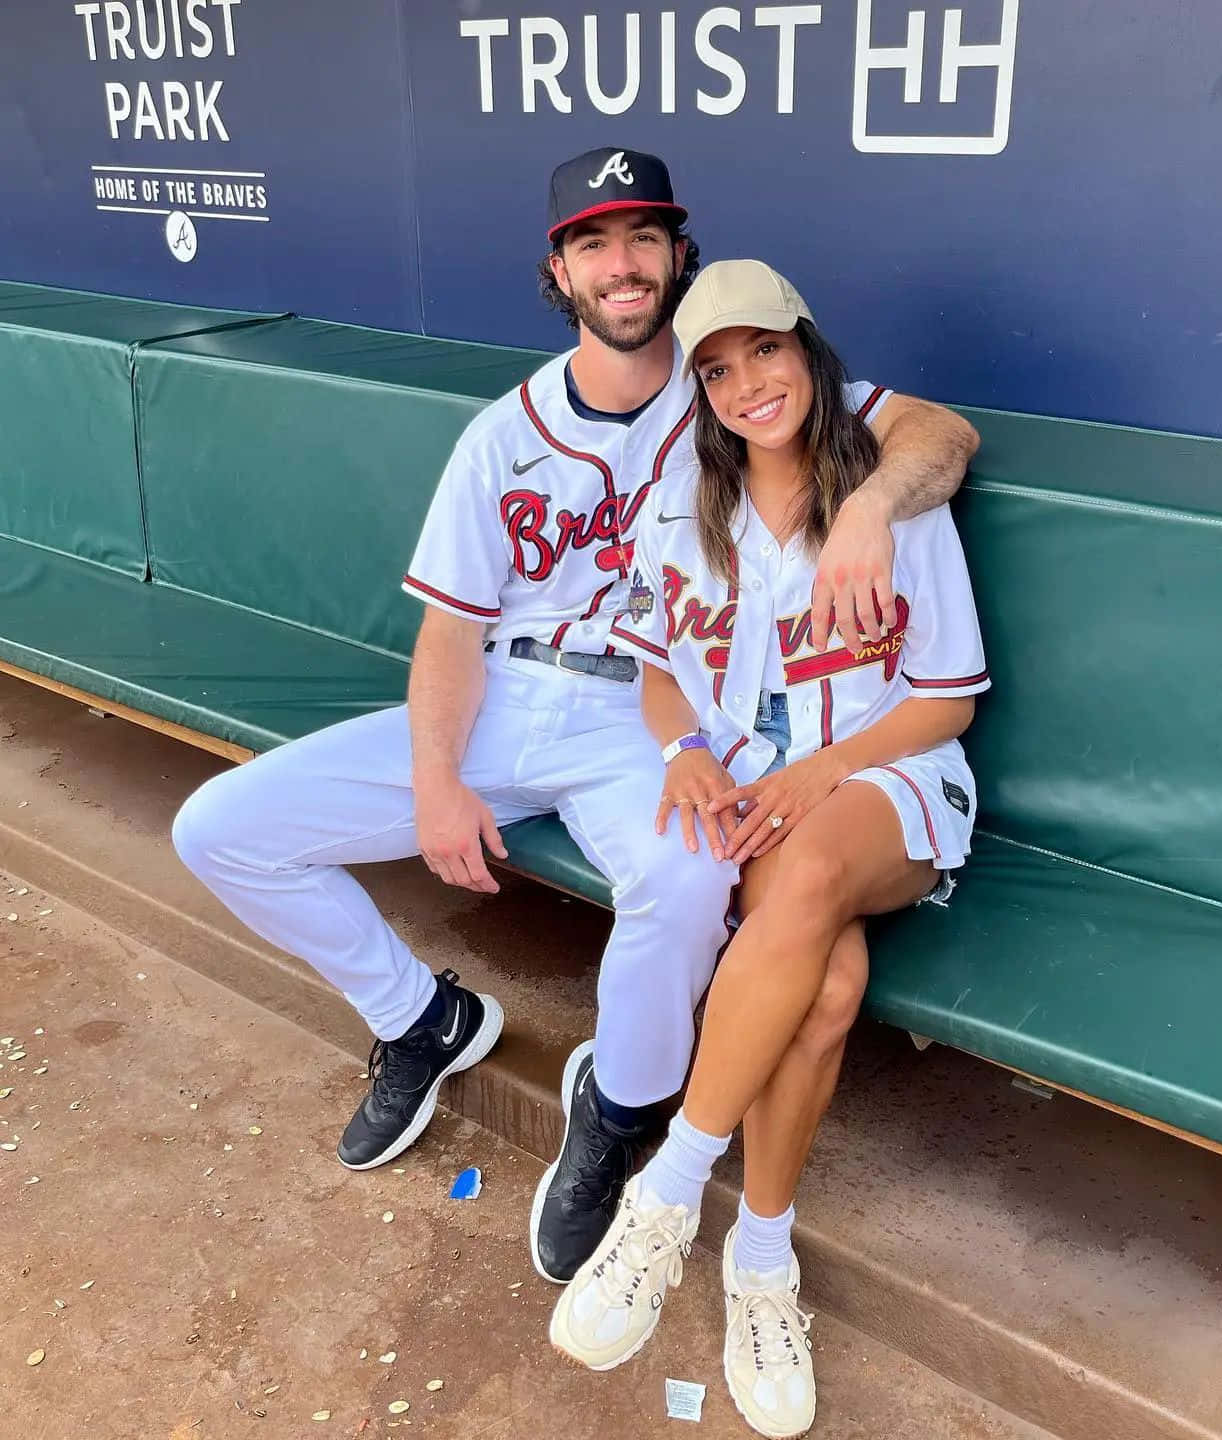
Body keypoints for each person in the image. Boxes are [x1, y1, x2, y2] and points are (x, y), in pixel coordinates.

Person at [169, 149, 980, 1291]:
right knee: (220, 828)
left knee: (694, 882)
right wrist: (441, 776)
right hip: (510, 696)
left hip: (651, 712)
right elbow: (451, 632)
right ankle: (419, 1020)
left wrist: (874, 514)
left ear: (679, 256)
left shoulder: (747, 394)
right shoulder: (503, 433)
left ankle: (622, 1108)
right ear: (560, 271)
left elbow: (939, 436)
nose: (622, 262)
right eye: (594, 241)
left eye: (644, 235)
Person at [549, 260, 990, 1438]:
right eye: (718, 367)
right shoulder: (686, 500)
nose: (750, 383)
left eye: (767, 350)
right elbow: (654, 666)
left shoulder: (894, 498)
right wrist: (687, 746)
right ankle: (760, 1260)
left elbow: (944, 700)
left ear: (810, 349)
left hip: (886, 777)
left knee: (811, 868)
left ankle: (668, 1192)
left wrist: (805, 779)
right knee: (830, 985)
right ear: (697, 392)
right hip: (748, 783)